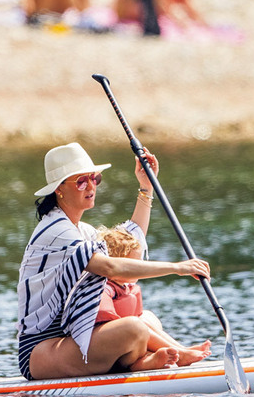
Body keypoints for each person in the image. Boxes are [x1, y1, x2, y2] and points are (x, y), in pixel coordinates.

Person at [17, 142, 211, 380]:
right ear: (59, 189)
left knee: (147, 319)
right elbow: (110, 266)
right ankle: (170, 357)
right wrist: (177, 267)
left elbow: (127, 245)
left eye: (94, 178)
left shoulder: (82, 230)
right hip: (41, 351)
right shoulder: (56, 229)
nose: (90, 186)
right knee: (134, 328)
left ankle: (153, 360)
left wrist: (146, 188)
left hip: (73, 339)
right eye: (81, 181)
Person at [96, 225, 211, 370]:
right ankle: (177, 355)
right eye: (135, 264)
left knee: (147, 318)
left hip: (135, 346)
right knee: (139, 326)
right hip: (119, 350)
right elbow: (106, 320)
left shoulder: (127, 288)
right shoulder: (105, 288)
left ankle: (177, 349)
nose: (140, 268)